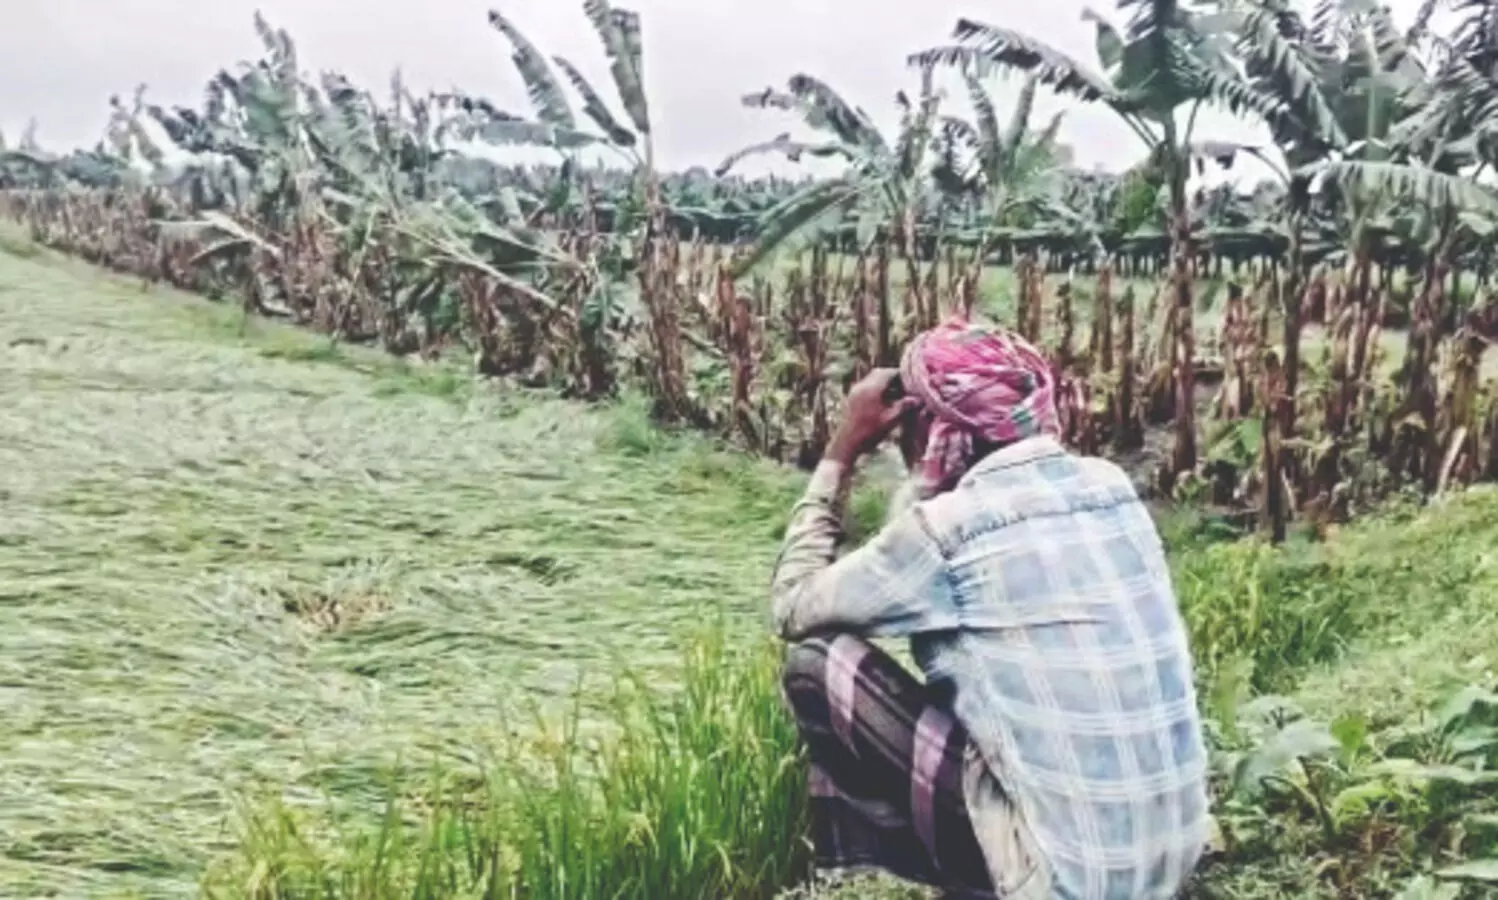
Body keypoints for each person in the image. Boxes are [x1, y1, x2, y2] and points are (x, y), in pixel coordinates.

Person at [772, 318, 1210, 899]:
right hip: (1169, 862)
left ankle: (956, 883)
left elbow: (793, 604)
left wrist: (842, 450)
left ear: (932, 429)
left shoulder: (946, 529)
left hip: (1064, 886)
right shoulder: (1110, 486)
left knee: (817, 661)